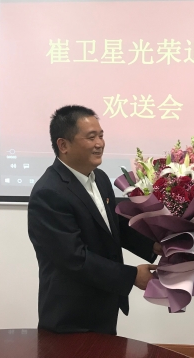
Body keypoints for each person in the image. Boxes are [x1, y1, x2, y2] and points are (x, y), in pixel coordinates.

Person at [28, 105, 162, 334]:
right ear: (63, 145)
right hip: (71, 315)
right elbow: (74, 259)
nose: (100, 143)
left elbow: (113, 225)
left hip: (104, 304)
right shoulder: (48, 192)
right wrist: (132, 276)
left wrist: (154, 245)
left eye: (101, 135)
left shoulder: (99, 178)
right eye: (91, 137)